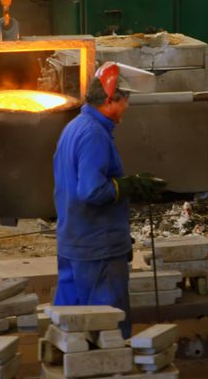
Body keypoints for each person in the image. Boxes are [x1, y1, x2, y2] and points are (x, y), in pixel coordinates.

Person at [52, 62, 166, 337]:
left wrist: (128, 185)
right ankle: (111, 375)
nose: (127, 107)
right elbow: (91, 191)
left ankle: (71, 372)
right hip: (97, 248)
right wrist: (131, 186)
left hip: (73, 240)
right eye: (126, 100)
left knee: (70, 328)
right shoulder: (94, 135)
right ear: (111, 100)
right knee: (108, 330)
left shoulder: (75, 127)